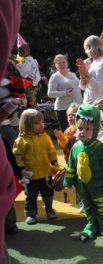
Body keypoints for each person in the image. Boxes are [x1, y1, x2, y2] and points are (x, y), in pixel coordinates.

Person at [64, 104, 103, 244]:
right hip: (82, 186)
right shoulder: (75, 147)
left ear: (94, 129)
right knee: (88, 206)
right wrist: (69, 180)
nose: (82, 132)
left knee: (102, 206)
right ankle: (91, 225)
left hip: (98, 185)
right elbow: (71, 164)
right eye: (80, 128)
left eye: (87, 129)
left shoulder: (99, 147)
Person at [12, 109, 59, 225]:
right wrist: (22, 169)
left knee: (48, 193)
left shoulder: (45, 137)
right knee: (30, 196)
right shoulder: (20, 141)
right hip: (30, 175)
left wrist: (54, 162)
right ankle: (30, 214)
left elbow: (51, 150)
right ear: (27, 124)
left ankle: (49, 209)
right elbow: (18, 156)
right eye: (37, 123)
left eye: (42, 122)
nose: (41, 125)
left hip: (45, 173)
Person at [1, 1, 21, 262]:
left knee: (13, 166)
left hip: (10, 126)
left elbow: (21, 93)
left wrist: (12, 105)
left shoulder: (13, 72)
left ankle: (11, 224)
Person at [47, 54, 83, 131]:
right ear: (55, 65)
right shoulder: (55, 77)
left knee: (80, 131)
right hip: (63, 109)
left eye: (63, 62)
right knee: (67, 134)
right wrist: (65, 93)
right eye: (59, 63)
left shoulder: (72, 74)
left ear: (67, 63)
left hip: (78, 107)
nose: (62, 64)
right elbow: (50, 93)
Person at [76, 35, 103, 103]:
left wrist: (86, 74)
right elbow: (83, 87)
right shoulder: (94, 62)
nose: (85, 52)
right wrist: (82, 74)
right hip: (90, 103)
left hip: (100, 105)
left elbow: (100, 88)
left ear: (90, 48)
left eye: (86, 49)